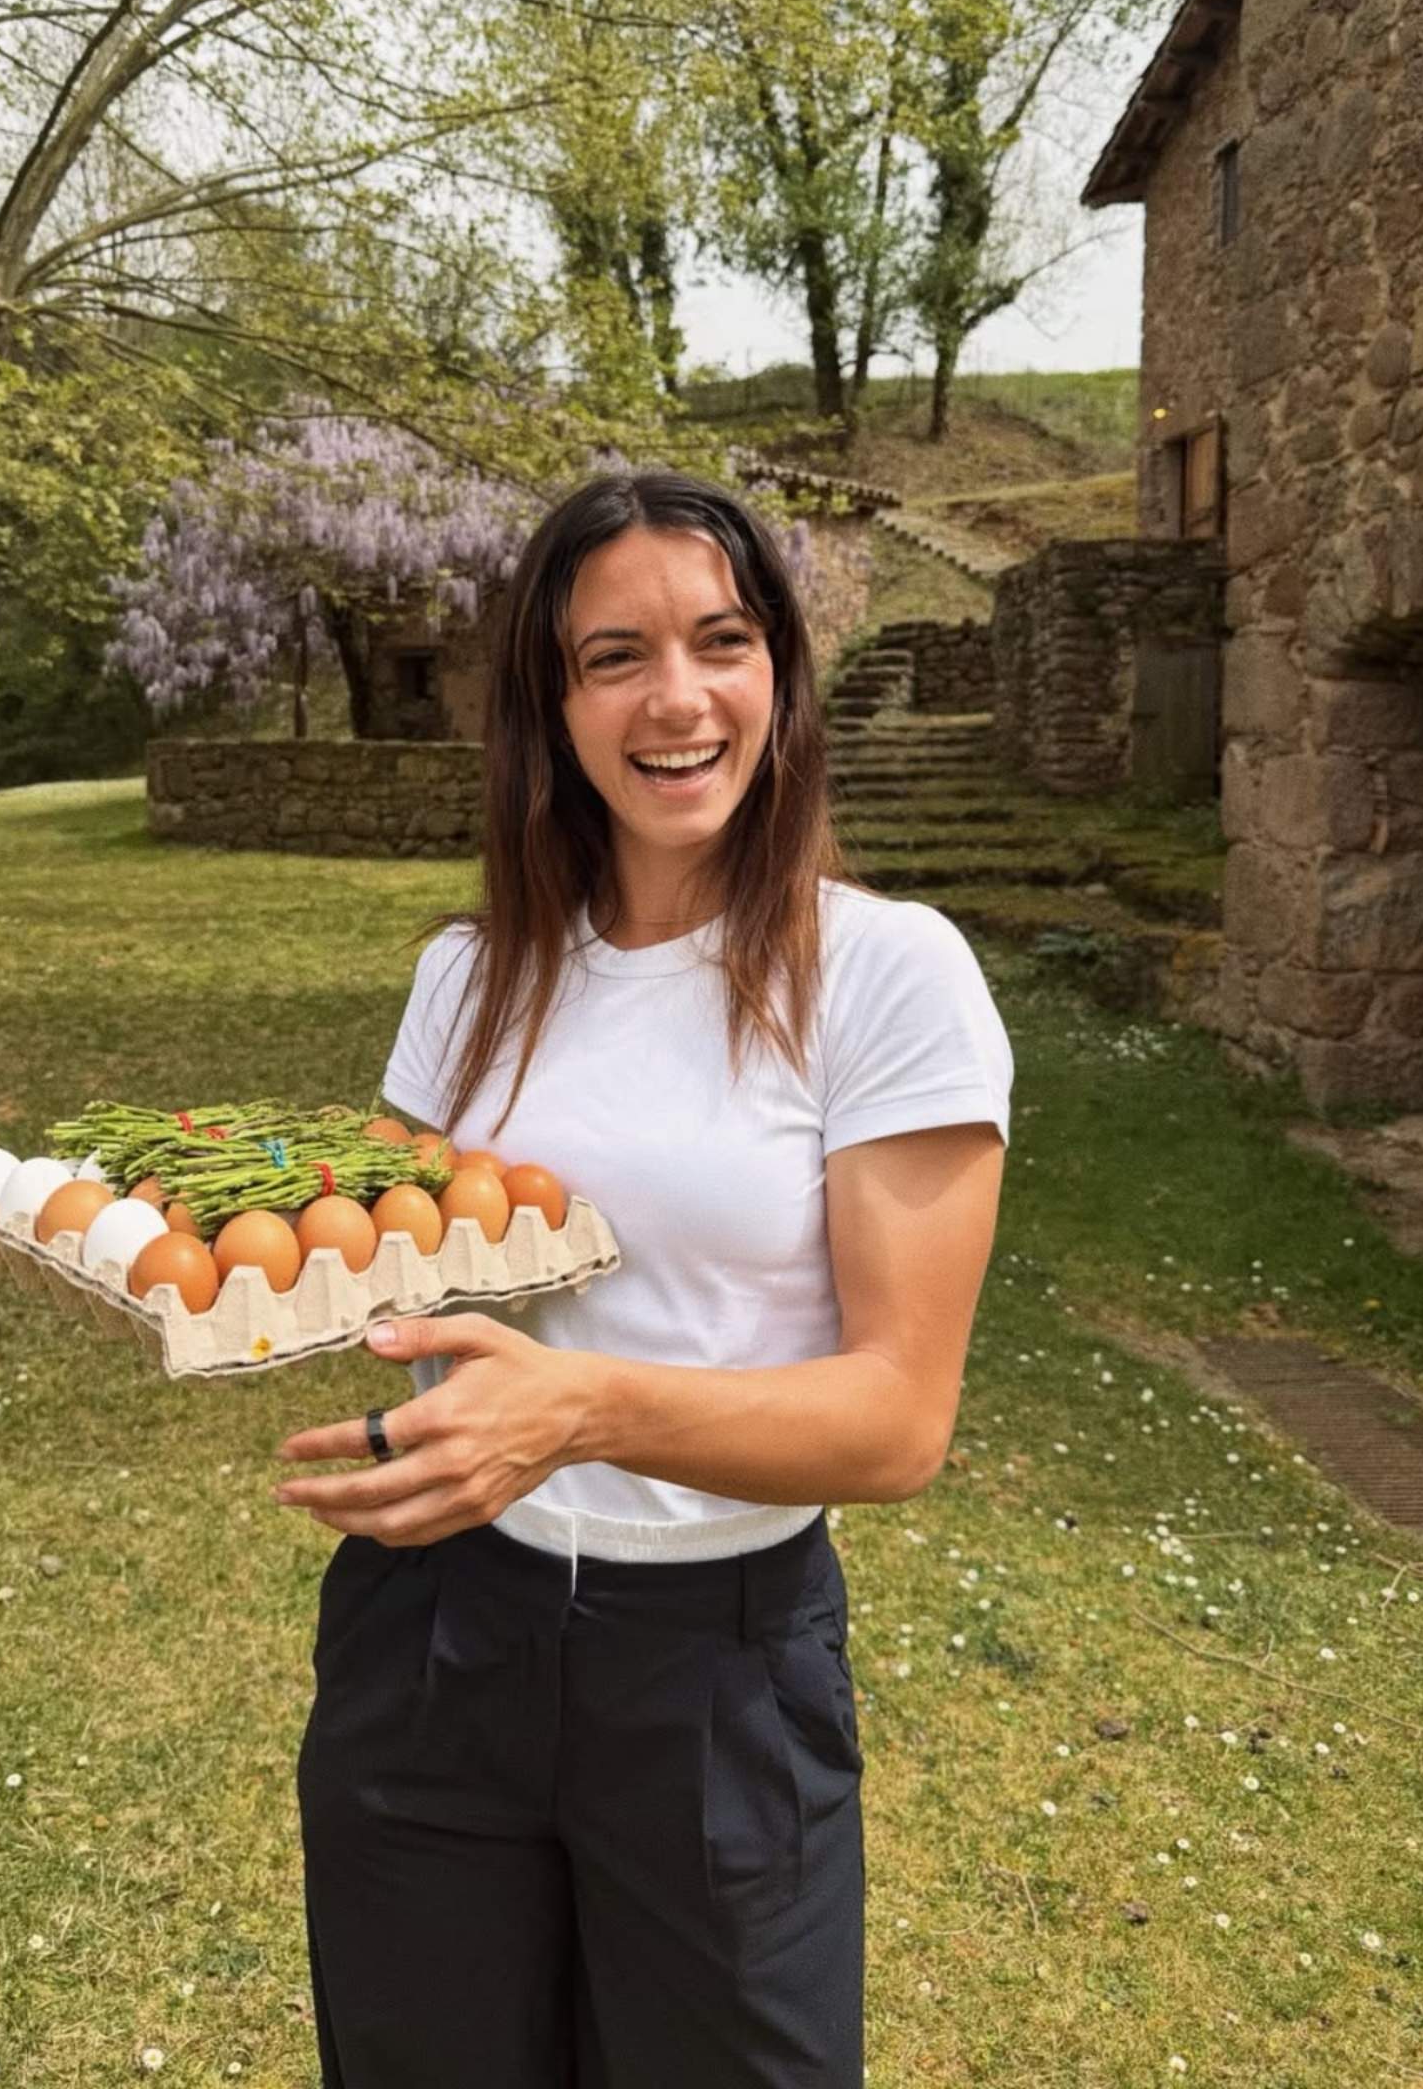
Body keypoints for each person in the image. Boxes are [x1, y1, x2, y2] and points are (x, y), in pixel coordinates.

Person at [274, 469, 1012, 2088]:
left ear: (779, 678)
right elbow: (385, 1272)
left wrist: (580, 1411)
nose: (677, 699)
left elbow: (897, 1424)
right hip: (433, 1630)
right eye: (615, 656)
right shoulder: (467, 974)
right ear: (553, 703)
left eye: (721, 640)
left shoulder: (886, 976)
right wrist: (144, 1258)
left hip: (712, 1673)